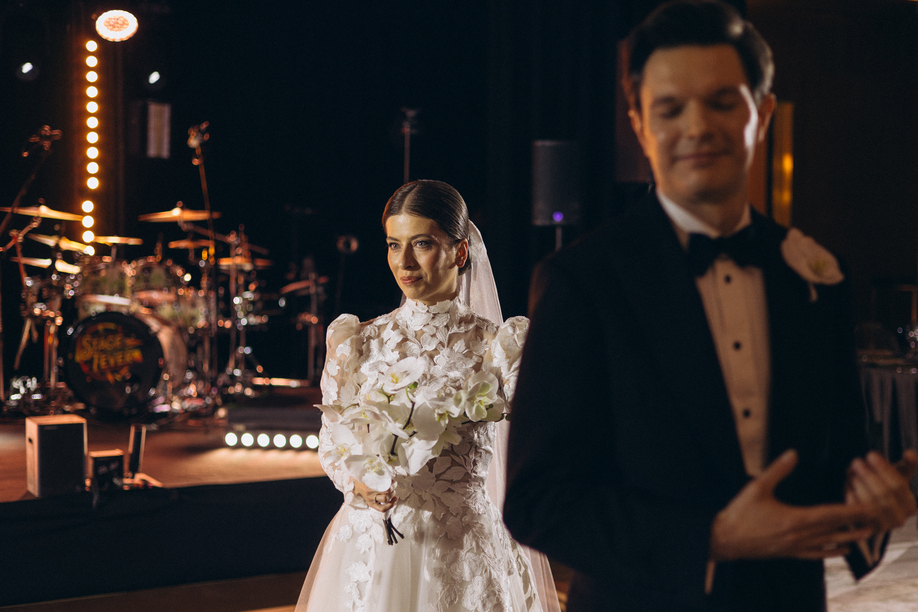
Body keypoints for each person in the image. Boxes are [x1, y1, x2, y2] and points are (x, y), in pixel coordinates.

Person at [503, 2, 918, 611]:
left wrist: (871, 509)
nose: (698, 126)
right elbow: (539, 502)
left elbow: (836, 462)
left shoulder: (818, 275)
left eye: (724, 102)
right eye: (670, 109)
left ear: (763, 113)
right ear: (640, 126)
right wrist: (712, 540)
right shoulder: (582, 280)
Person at [295, 180, 560, 612]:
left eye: (421, 244)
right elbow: (333, 441)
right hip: (370, 543)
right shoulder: (357, 341)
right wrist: (358, 483)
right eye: (393, 244)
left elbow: (547, 441)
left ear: (459, 251)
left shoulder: (499, 345)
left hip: (458, 548)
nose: (404, 261)